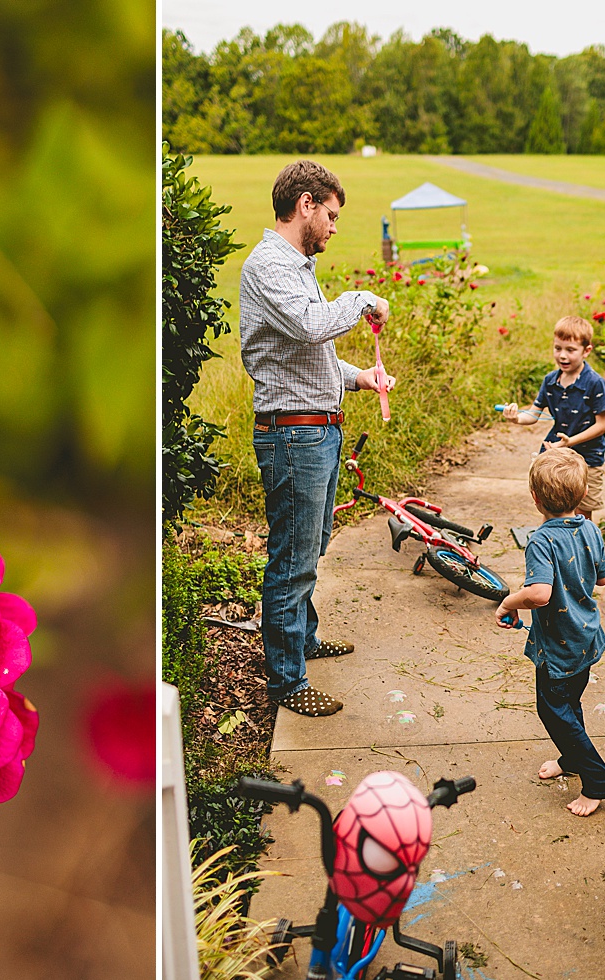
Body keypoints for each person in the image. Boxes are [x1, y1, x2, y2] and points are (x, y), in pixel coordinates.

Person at [239, 159, 394, 718]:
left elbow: (312, 352)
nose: (333, 226)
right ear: (305, 204)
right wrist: (361, 298)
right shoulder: (268, 265)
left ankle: (301, 638)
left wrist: (360, 378)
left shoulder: (297, 266)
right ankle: (286, 681)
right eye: (329, 215)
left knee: (312, 545)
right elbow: (312, 325)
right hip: (293, 436)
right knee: (291, 558)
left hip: (317, 430)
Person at [495, 447, 605, 816]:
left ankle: (597, 781)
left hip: (560, 647)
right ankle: (572, 759)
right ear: (581, 495)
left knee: (552, 710)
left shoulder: (541, 540)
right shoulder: (591, 528)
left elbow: (540, 594)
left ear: (535, 498)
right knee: (570, 704)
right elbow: (604, 578)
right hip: (585, 637)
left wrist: (508, 603)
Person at [500, 315, 605, 519]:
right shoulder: (550, 380)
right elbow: (534, 413)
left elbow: (602, 425)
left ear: (587, 351)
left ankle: (581, 548)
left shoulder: (595, 382)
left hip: (588, 457)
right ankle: (548, 546)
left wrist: (570, 442)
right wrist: (516, 418)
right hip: (555, 455)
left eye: (570, 350)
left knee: (582, 513)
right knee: (551, 506)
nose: (563, 356)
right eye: (558, 348)